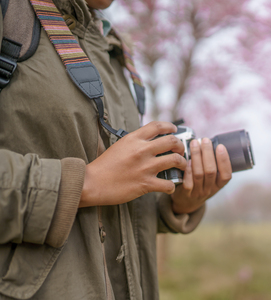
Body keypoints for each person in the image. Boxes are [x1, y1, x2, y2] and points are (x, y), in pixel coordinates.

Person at [0, 0, 232, 299]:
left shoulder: (110, 45)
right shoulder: (11, 18)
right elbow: (96, 185)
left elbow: (110, 205)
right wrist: (85, 184)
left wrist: (175, 204)